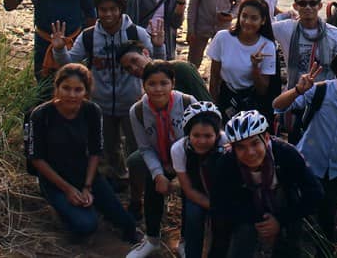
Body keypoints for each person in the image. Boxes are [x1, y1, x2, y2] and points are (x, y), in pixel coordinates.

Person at [51, 0, 161, 181]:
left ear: (121, 9)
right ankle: (115, 180)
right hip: (100, 104)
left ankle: (139, 184)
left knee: (137, 148)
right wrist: (59, 50)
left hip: (133, 103)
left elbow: (158, 67)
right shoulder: (88, 36)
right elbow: (70, 66)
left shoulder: (138, 33)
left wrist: (159, 46)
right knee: (106, 148)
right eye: (103, 10)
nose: (108, 14)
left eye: (113, 9)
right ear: (97, 11)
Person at [272, 43, 337, 252]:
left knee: (327, 219)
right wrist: (298, 89)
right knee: (295, 220)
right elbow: (278, 105)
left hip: (335, 172)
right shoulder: (319, 90)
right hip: (305, 166)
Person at [25, 64, 137, 244]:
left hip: (85, 174)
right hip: (55, 179)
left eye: (78, 89)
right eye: (66, 88)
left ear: (86, 91)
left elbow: (95, 152)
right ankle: (60, 208)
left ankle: (94, 201)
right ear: (57, 87)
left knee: (127, 224)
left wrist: (87, 187)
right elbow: (36, 159)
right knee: (85, 225)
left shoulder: (92, 111)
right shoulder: (40, 115)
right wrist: (68, 189)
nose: (71, 94)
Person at [209, 111, 324, 258]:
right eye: (241, 147)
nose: (250, 153)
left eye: (255, 143)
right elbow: (218, 205)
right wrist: (257, 221)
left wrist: (280, 220)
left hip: (287, 208)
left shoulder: (286, 154)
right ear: (232, 148)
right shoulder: (226, 163)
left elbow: (315, 193)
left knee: (294, 246)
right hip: (246, 214)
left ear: (267, 138)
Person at [125, 61, 197, 256]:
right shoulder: (138, 111)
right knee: (152, 185)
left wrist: (180, 174)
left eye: (163, 83)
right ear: (144, 85)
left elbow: (195, 141)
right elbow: (145, 148)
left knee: (190, 194)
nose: (158, 89)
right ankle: (152, 239)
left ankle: (185, 240)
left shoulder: (188, 103)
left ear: (172, 83)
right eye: (152, 84)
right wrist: (158, 174)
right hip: (160, 158)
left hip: (189, 160)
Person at [171, 102, 228, 258]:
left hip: (223, 193)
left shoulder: (227, 143)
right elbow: (187, 189)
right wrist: (213, 206)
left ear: (217, 135)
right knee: (193, 215)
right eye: (196, 135)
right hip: (196, 192)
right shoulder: (179, 149)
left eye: (208, 136)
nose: (202, 141)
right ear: (188, 134)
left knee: (223, 226)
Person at [208, 0, 277, 119]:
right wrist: (214, 107)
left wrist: (255, 66)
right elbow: (214, 77)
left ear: (263, 21)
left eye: (254, 18)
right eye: (244, 16)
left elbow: (262, 90)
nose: (247, 22)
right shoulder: (223, 37)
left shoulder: (268, 46)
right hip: (226, 94)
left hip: (251, 98)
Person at [271, 0, 337, 90]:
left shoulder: (336, 35)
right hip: (295, 92)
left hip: (325, 94)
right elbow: (259, 26)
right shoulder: (286, 28)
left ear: (320, 6)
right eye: (302, 3)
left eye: (312, 3)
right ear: (295, 6)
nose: (308, 7)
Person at [118, 41, 212, 102]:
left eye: (135, 60)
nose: (134, 68)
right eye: (128, 68)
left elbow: (206, 102)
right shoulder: (144, 93)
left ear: (145, 53)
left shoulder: (181, 69)